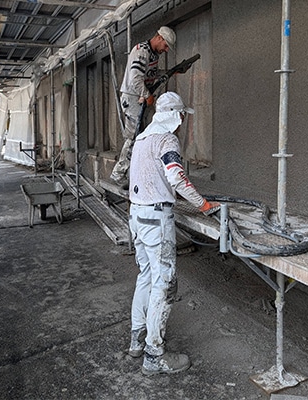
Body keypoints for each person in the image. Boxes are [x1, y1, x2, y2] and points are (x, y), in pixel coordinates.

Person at [128, 92, 221, 375]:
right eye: (181, 116)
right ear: (175, 116)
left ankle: (136, 340)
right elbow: (176, 177)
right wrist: (203, 205)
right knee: (165, 283)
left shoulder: (142, 138)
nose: (182, 122)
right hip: (156, 219)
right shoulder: (167, 140)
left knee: (146, 275)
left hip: (136, 215)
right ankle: (154, 355)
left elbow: (150, 176)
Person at [110, 26, 176, 188]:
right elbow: (135, 79)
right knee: (134, 136)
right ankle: (118, 174)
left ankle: (136, 171)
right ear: (159, 38)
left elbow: (150, 74)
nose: (166, 50)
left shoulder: (153, 53)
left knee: (143, 135)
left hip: (139, 97)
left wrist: (170, 72)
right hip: (133, 97)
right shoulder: (142, 51)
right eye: (166, 45)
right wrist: (147, 95)